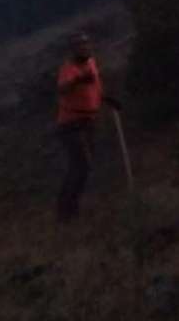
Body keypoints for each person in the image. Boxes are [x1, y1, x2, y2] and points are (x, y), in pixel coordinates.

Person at [55, 31, 120, 222]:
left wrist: (107, 99)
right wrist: (77, 80)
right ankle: (66, 211)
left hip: (89, 120)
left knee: (83, 166)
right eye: (79, 46)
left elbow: (95, 88)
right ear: (73, 50)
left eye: (86, 45)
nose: (84, 48)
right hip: (71, 123)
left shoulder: (91, 63)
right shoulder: (69, 68)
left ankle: (70, 208)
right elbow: (62, 89)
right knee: (81, 165)